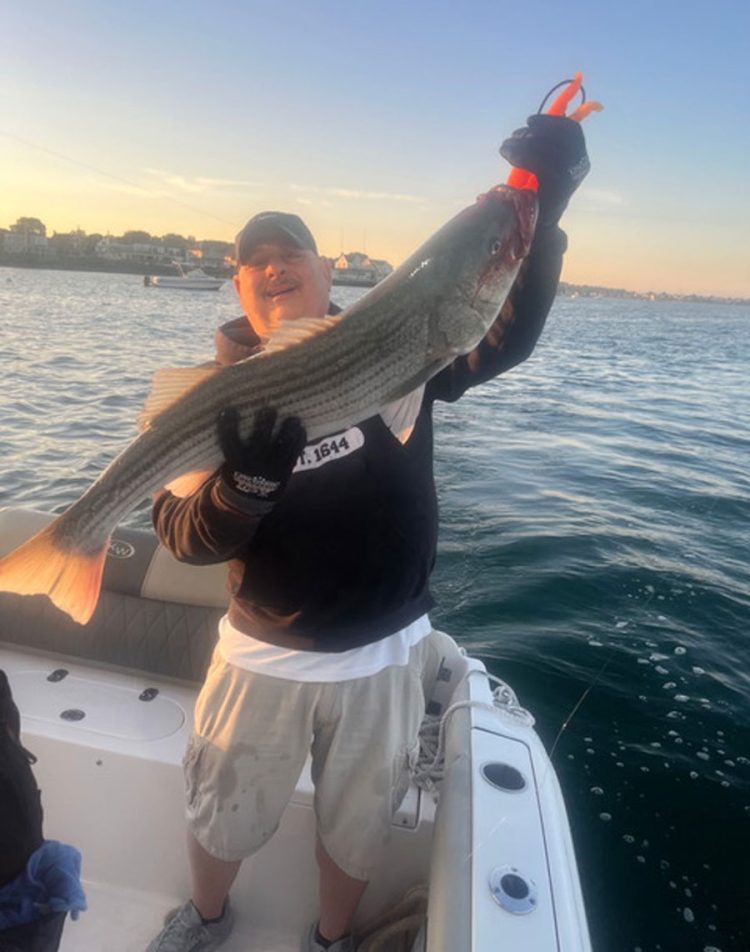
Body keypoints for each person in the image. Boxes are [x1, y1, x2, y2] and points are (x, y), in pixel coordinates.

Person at [144, 114, 591, 952]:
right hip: (261, 653)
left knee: (358, 829)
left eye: (292, 255)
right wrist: (242, 491)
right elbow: (181, 536)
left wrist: (541, 206)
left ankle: (329, 940)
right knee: (220, 812)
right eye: (255, 263)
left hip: (388, 650)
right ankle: (203, 921)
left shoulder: (401, 346)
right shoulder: (210, 396)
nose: (274, 267)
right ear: (238, 288)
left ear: (321, 273)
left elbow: (501, 332)